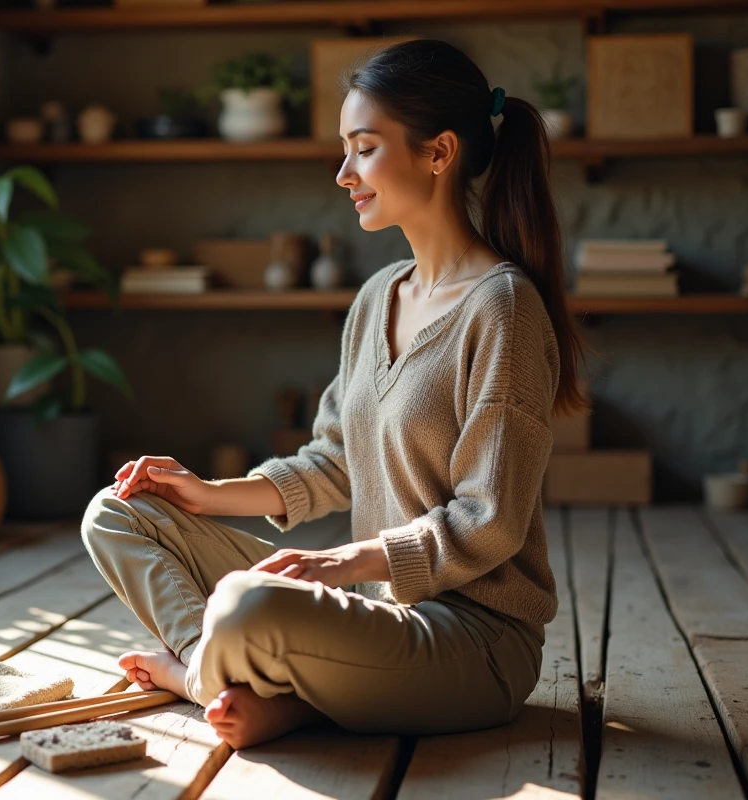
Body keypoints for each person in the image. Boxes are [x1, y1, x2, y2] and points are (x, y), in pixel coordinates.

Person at [80, 38, 589, 751]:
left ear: (438, 152)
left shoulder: (503, 309)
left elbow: (490, 521)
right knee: (119, 512)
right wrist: (204, 493)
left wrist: (340, 563)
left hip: (474, 643)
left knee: (245, 604)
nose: (344, 173)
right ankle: (248, 681)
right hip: (370, 617)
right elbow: (334, 462)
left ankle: (204, 674)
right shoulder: (378, 297)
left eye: (364, 148)